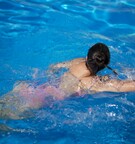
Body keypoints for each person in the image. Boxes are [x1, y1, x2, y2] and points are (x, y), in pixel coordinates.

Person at [0, 43, 135, 120]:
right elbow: (123, 86)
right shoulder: (92, 82)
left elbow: (54, 66)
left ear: (87, 57)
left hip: (31, 87)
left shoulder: (78, 62)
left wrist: (49, 75)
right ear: (106, 63)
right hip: (41, 100)